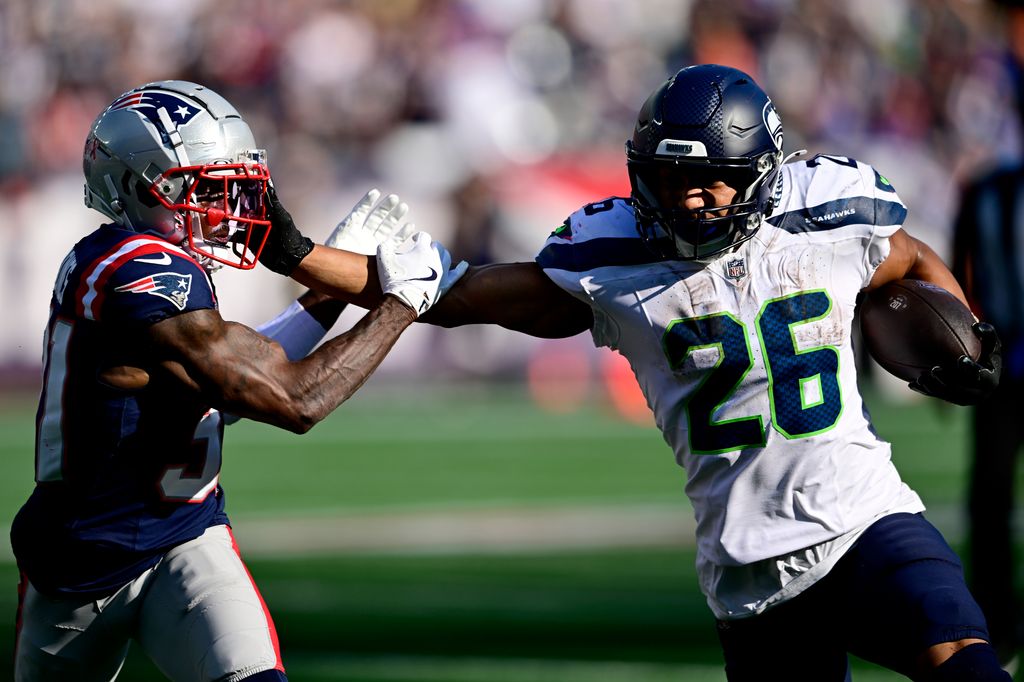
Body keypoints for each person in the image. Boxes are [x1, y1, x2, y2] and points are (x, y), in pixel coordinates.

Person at [263, 65, 1008, 680]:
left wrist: (964, 331)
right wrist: (296, 253)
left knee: (969, 670)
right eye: (668, 178)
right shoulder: (612, 263)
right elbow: (450, 293)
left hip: (865, 518)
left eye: (708, 180)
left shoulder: (828, 209)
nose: (685, 198)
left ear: (756, 171)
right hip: (747, 569)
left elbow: (904, 256)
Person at [10, 80, 460, 682]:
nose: (235, 204)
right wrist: (403, 303)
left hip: (185, 538)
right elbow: (294, 399)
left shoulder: (155, 261)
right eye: (214, 185)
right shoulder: (133, 269)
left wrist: (328, 286)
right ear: (148, 186)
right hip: (84, 562)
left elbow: (240, 376)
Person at [952, 128, 1024, 669]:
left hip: (1002, 366)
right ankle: (995, 619)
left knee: (991, 498)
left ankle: (997, 619)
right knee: (990, 498)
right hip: (1003, 367)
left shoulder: (987, 189)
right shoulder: (985, 190)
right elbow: (954, 274)